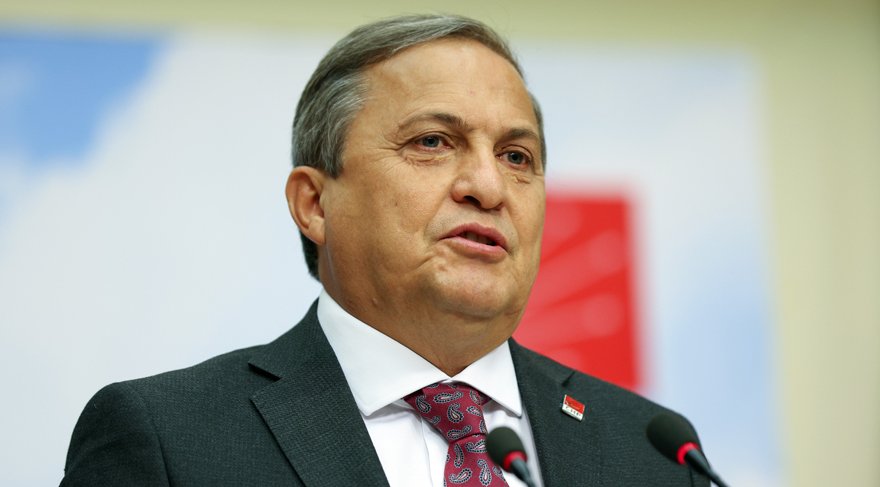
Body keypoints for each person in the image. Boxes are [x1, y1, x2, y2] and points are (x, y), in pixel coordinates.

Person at [62, 14, 708, 487]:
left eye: (517, 157)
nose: (487, 187)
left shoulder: (654, 453)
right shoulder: (171, 439)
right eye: (432, 142)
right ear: (315, 204)